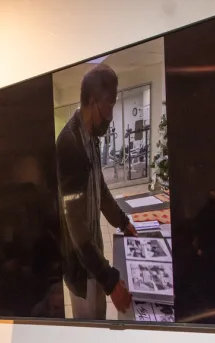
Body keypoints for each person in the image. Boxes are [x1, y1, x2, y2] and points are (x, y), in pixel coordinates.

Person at [57, 64, 139, 320]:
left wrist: (124, 223)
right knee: (90, 332)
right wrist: (111, 281)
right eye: (110, 105)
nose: (111, 115)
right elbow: (76, 228)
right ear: (93, 101)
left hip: (92, 254)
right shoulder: (69, 145)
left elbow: (100, 189)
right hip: (81, 267)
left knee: (100, 322)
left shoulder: (90, 136)